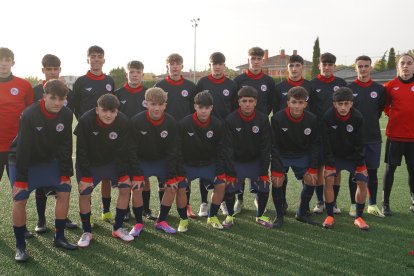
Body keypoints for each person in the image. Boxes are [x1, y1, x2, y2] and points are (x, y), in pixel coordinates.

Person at [9, 79, 77, 262]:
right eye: (53, 98)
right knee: (20, 198)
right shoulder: (30, 113)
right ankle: (20, 246)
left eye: (61, 99)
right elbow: (23, 147)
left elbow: (66, 145)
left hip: (48, 160)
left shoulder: (67, 113)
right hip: (23, 161)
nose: (57, 103)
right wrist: (21, 180)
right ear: (44, 96)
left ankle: (59, 237)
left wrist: (65, 173)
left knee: (64, 190)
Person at [75, 94, 133, 248]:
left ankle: (118, 227)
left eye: (112, 111)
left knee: (126, 187)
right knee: (85, 193)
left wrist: (123, 173)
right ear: (97, 109)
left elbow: (123, 151)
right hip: (90, 163)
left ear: (117, 111)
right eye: (104, 110)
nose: (108, 115)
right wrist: (86, 176)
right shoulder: (86, 121)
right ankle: (87, 231)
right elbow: (81, 150)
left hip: (112, 161)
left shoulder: (123, 121)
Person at [32, 54, 77, 233]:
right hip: (40, 145)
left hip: (61, 144)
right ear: (43, 70)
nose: (52, 72)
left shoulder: (68, 92)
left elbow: (69, 115)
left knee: (63, 182)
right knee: (40, 183)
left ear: (60, 70)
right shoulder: (35, 91)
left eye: (55, 69)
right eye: (48, 69)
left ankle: (63, 217)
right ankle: (41, 220)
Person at [72, 45, 115, 224]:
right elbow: (74, 105)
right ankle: (87, 215)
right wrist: (83, 123)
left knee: (106, 174)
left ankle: (106, 210)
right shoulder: (81, 82)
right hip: (88, 135)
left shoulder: (110, 80)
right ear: (87, 59)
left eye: (99, 56)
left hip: (108, 133)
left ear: (104, 59)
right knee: (86, 172)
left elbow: (113, 105)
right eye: (93, 56)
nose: (96, 59)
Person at [129, 87, 179, 234]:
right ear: (146, 104)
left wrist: (170, 175)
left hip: (161, 161)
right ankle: (138, 223)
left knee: (172, 186)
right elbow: (131, 149)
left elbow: (173, 151)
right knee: (137, 187)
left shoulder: (171, 122)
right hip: (142, 161)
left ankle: (161, 220)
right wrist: (137, 173)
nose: (156, 108)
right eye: (153, 104)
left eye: (160, 104)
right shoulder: (136, 121)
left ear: (165, 105)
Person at [232, 47, 276, 214]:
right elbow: (234, 103)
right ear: (248, 59)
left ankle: (258, 197)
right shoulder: (239, 80)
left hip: (261, 126)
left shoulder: (269, 81)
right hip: (241, 127)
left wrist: (261, 117)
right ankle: (239, 199)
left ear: (263, 60)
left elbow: (271, 103)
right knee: (240, 160)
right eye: (253, 58)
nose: (256, 61)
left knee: (259, 159)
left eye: (259, 58)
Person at [155, 53, 197, 218]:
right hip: (164, 133)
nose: (174, 66)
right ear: (167, 66)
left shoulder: (191, 86)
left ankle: (186, 206)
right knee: (162, 171)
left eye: (177, 63)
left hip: (185, 135)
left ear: (182, 66)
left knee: (183, 171)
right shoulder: (159, 85)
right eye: (171, 64)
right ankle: (162, 207)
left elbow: (195, 110)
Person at [177, 91, 227, 231]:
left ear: (211, 108)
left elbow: (221, 149)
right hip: (188, 165)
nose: (203, 111)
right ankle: (183, 220)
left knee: (221, 184)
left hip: (208, 164)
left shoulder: (217, 124)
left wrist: (219, 171)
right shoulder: (184, 123)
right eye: (200, 107)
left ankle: (212, 216)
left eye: (207, 108)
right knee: (180, 186)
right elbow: (178, 149)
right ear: (195, 107)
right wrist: (181, 170)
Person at [271, 86, 319, 227]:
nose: (297, 106)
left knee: (311, 179)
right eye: (294, 102)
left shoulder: (312, 119)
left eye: (300, 102)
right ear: (288, 103)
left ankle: (302, 212)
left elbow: (315, 145)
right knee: (277, 180)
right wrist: (277, 167)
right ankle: (279, 215)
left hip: (301, 154)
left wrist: (313, 167)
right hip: (282, 154)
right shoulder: (277, 118)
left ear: (305, 104)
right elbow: (274, 146)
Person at [321, 87, 369, 230]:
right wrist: (329, 162)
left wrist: (360, 163)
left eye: (346, 104)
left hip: (353, 157)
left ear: (351, 104)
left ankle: (359, 217)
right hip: (334, 156)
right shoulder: (328, 116)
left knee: (362, 180)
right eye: (340, 104)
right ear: (334, 104)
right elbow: (326, 142)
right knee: (329, 178)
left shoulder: (358, 117)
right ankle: (330, 215)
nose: (343, 107)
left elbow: (361, 142)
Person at [195, 52, 236, 217]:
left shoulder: (231, 84)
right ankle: (204, 203)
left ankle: (223, 202)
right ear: (210, 64)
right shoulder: (202, 82)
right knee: (203, 164)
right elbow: (197, 104)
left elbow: (233, 108)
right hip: (205, 130)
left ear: (224, 65)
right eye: (214, 63)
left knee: (223, 165)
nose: (217, 66)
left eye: (220, 63)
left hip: (224, 131)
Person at [114, 60, 156, 221]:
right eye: (131, 72)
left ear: (142, 74)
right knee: (125, 175)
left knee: (143, 175)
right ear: (127, 74)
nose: (134, 75)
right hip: (124, 141)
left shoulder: (148, 93)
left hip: (143, 140)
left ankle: (145, 208)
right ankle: (124, 210)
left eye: (138, 72)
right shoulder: (118, 94)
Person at [225, 86, 272, 228]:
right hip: (237, 162)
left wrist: (263, 172)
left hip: (255, 161)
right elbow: (227, 148)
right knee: (230, 186)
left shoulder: (263, 119)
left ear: (255, 102)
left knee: (264, 186)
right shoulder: (230, 119)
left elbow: (266, 147)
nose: (247, 104)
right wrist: (231, 172)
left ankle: (260, 216)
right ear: (239, 102)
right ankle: (229, 216)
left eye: (250, 101)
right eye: (244, 101)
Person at [0, 47, 34, 239]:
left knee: (20, 191)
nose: (3, 63)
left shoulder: (24, 85)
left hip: (16, 149)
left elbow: (29, 115)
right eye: (0, 60)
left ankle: (22, 226)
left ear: (13, 62)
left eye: (7, 60)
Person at [347, 55, 386, 217]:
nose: (363, 69)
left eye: (366, 66)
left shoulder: (379, 89)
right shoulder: (349, 89)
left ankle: (372, 204)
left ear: (371, 68)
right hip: (353, 139)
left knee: (372, 171)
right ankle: (353, 204)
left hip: (373, 137)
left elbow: (378, 112)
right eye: (360, 66)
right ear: (356, 68)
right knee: (354, 172)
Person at [274, 54, 313, 215]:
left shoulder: (310, 86)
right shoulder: (279, 87)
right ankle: (281, 204)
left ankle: (304, 208)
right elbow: (276, 109)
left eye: (297, 65)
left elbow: (313, 111)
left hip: (302, 138)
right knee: (280, 177)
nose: (294, 69)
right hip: (284, 138)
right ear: (287, 68)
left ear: (302, 67)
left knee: (310, 177)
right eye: (291, 66)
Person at [309, 52, 347, 215]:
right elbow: (309, 109)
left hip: (337, 133)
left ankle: (334, 201)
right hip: (318, 132)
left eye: (330, 64)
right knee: (318, 168)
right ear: (319, 66)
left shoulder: (341, 83)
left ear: (334, 66)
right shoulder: (312, 84)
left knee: (335, 169)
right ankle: (319, 202)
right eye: (324, 64)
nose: (327, 67)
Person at [382, 53, 414, 216]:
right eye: (403, 63)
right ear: (398, 67)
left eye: (409, 63)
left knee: (413, 170)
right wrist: (394, 116)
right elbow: (385, 106)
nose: (406, 66)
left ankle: (413, 200)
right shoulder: (389, 86)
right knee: (390, 169)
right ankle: (385, 203)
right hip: (395, 136)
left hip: (413, 138)